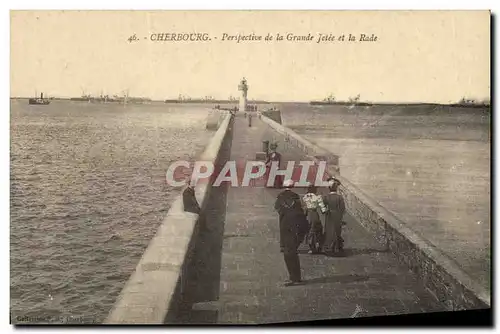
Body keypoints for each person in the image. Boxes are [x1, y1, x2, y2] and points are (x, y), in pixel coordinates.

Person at [274, 179, 308, 286]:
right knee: (292, 252)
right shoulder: (296, 198)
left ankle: (294, 278)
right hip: (296, 228)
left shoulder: (280, 198)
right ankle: (295, 277)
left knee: (288, 254)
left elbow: (278, 209)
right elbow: (302, 212)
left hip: (285, 228)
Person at [322, 179, 346, 256]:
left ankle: (328, 247)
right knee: (337, 230)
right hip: (337, 215)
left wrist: (326, 212)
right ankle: (337, 247)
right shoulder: (339, 197)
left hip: (329, 215)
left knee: (329, 230)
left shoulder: (326, 197)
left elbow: (323, 207)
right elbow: (342, 208)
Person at [302, 184, 327, 254]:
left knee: (309, 231)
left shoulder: (305, 197)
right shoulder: (317, 197)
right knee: (318, 229)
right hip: (315, 214)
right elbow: (322, 207)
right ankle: (319, 245)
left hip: (307, 215)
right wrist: (325, 211)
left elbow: (303, 206)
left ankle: (311, 247)